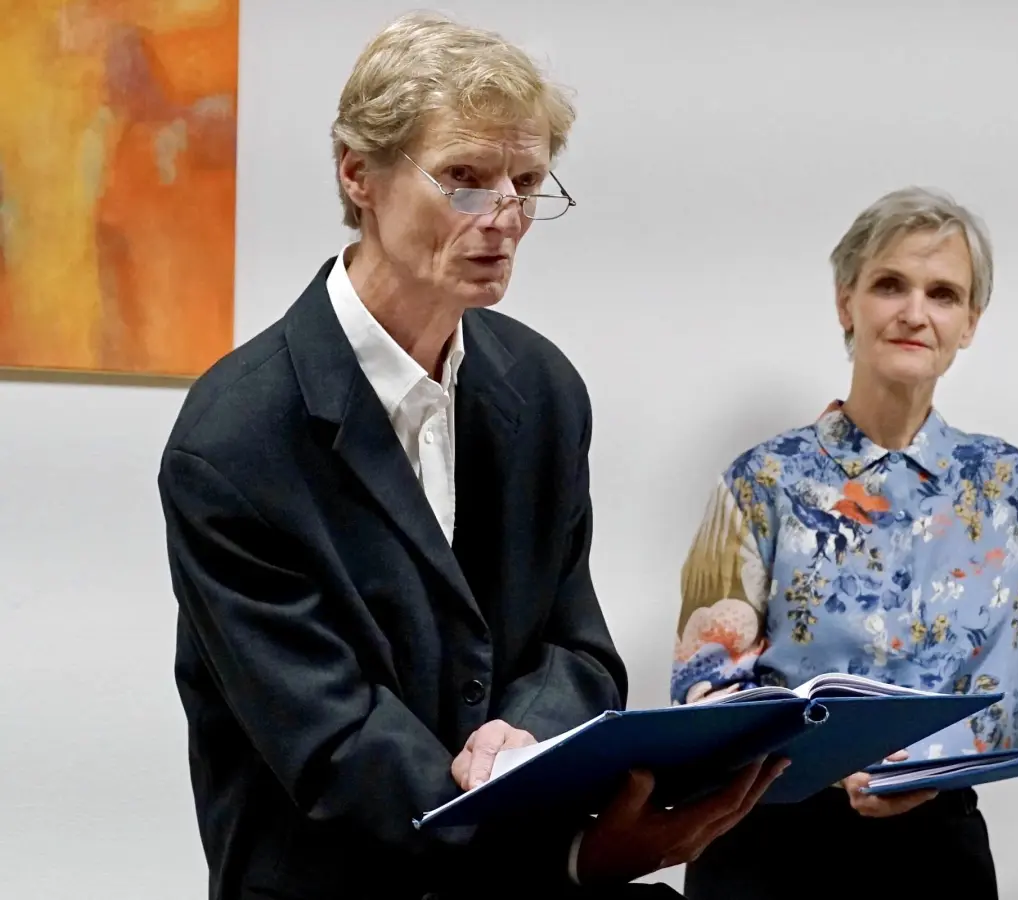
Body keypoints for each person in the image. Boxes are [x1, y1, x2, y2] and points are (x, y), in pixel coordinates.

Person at [158, 13, 782, 900]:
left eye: (525, 183)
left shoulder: (543, 389)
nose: (506, 218)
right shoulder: (235, 438)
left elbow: (576, 650)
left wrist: (524, 743)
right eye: (464, 180)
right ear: (358, 174)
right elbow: (334, 745)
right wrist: (563, 849)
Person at [668, 187, 1018, 898]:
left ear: (970, 323)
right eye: (889, 285)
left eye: (943, 294)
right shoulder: (762, 481)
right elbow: (703, 690)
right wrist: (829, 758)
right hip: (769, 847)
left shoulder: (1011, 489)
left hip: (939, 855)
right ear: (846, 302)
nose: (914, 312)